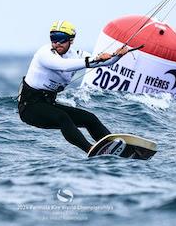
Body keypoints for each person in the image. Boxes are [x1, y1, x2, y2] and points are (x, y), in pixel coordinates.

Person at [18, 20, 130, 153]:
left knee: (89, 118)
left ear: (71, 40)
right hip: (30, 107)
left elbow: (103, 62)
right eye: (53, 38)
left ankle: (113, 146)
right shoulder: (44, 53)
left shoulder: (76, 54)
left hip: (48, 104)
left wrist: (118, 56)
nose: (57, 43)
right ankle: (90, 150)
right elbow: (63, 66)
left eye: (61, 39)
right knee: (63, 118)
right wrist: (95, 60)